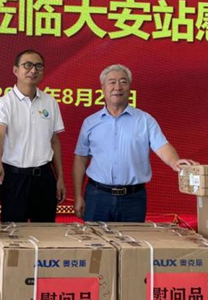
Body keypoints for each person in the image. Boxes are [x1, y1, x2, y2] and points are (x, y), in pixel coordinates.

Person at [72, 64, 196, 222]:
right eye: (112, 82)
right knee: (95, 238)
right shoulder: (90, 122)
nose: (117, 87)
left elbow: (162, 146)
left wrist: (175, 161)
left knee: (132, 238)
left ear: (129, 87)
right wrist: (78, 196)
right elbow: (80, 158)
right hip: (97, 196)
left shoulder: (145, 120)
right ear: (103, 88)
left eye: (123, 82)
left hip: (133, 199)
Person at [0, 49, 66, 222]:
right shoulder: (4, 103)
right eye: (27, 65)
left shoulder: (50, 102)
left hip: (44, 177)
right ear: (16, 70)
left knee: (45, 231)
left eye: (38, 66)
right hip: (14, 178)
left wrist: (60, 178)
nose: (33, 70)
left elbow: (54, 142)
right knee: (13, 231)